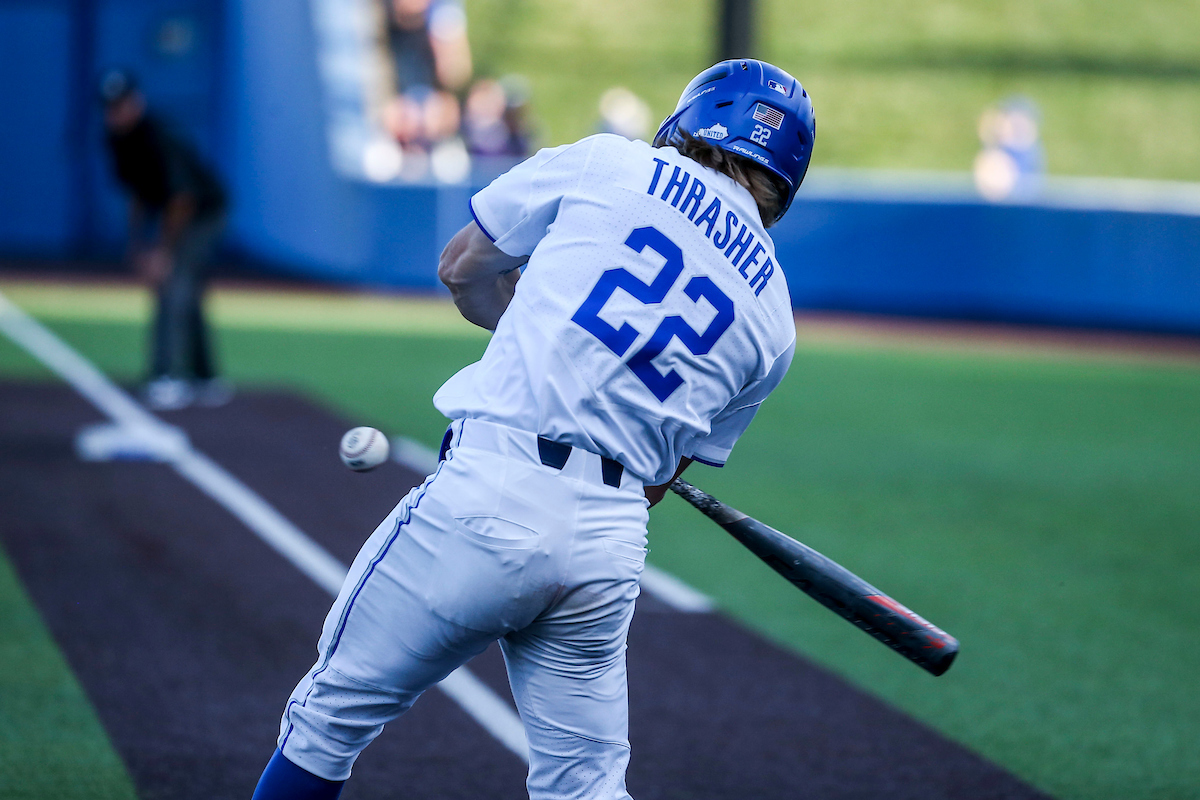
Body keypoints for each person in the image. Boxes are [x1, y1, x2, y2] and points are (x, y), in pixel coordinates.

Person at [251, 58, 815, 800]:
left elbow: (461, 266)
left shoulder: (613, 163)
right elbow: (660, 481)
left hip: (490, 493)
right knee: (585, 786)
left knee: (328, 719)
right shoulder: (777, 320)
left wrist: (533, 326)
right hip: (608, 545)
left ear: (693, 119)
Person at [100, 69, 231, 410]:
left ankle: (165, 375)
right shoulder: (116, 138)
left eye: (121, 104)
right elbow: (138, 195)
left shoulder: (159, 135)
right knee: (188, 293)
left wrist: (161, 251)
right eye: (109, 107)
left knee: (173, 285)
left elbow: (181, 200)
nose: (115, 113)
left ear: (136, 101)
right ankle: (206, 377)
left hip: (203, 211)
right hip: (176, 210)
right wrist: (136, 244)